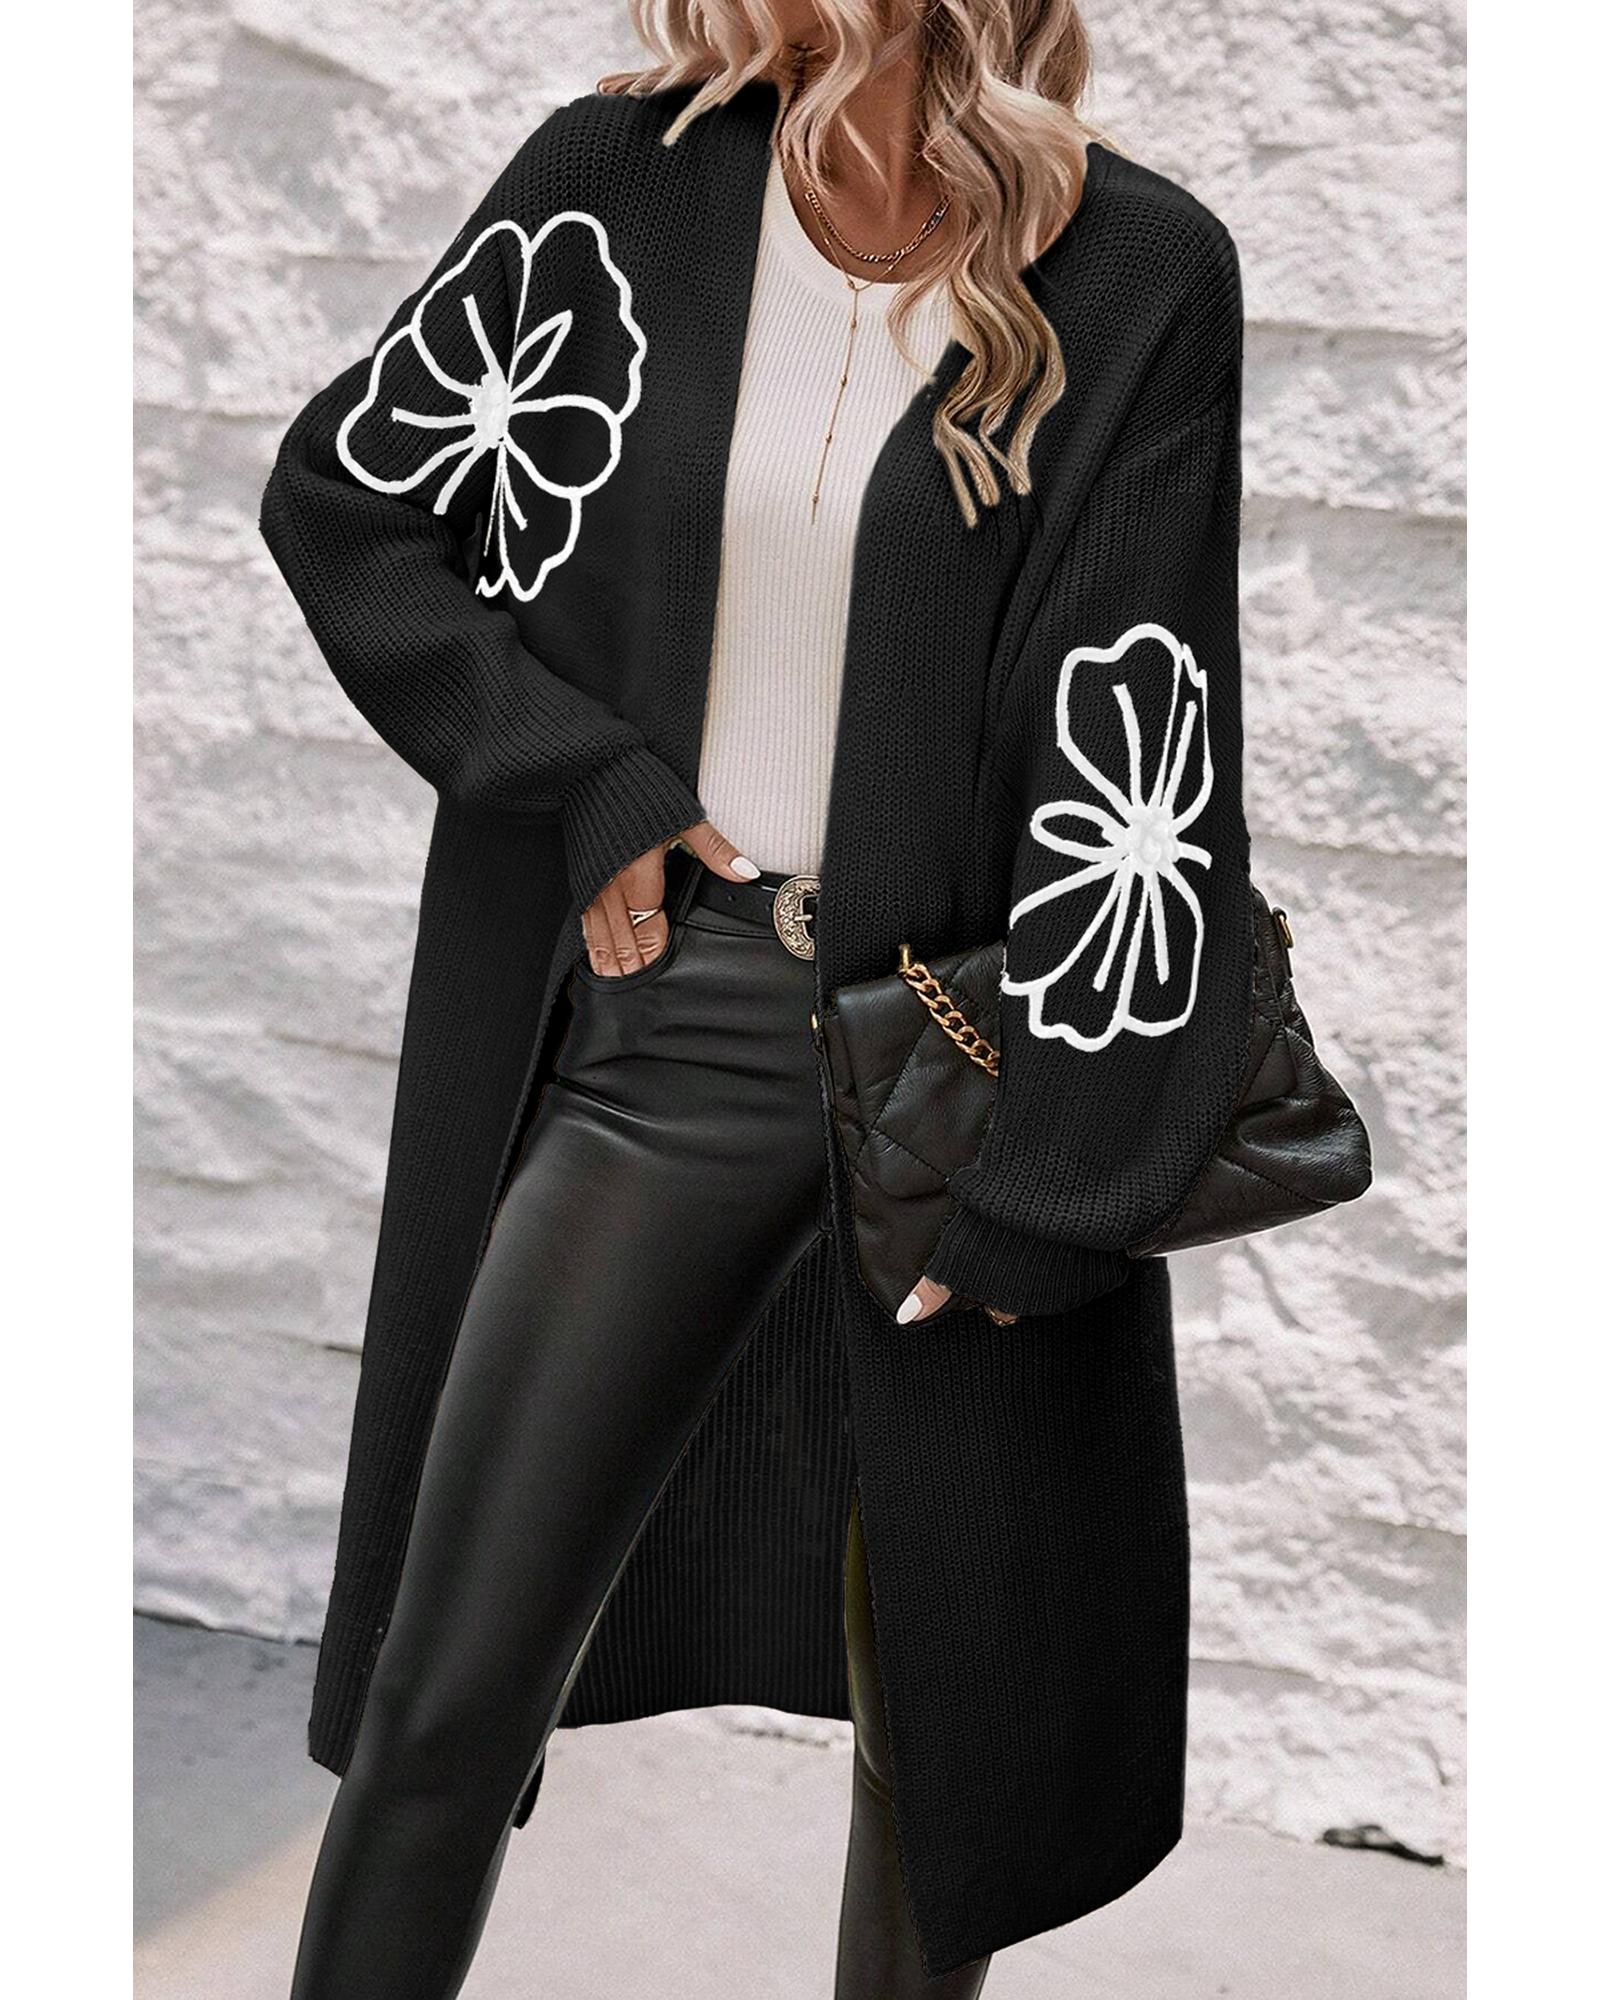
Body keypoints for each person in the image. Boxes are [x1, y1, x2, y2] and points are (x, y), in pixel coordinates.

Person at [259, 2, 1257, 1993]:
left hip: (971, 1061)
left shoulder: (1136, 266)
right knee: (446, 1699)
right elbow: (350, 504)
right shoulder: (616, 188)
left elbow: (1149, 738)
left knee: (940, 1745)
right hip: (681, 1027)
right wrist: (582, 778)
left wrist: (1057, 1177)